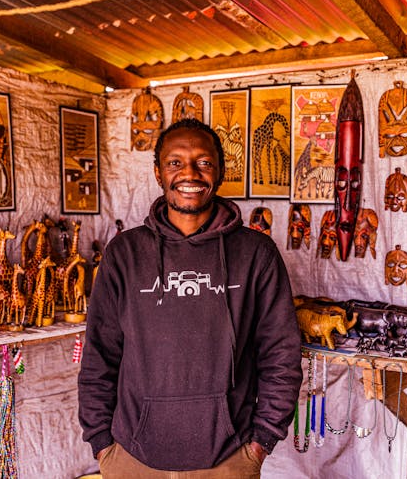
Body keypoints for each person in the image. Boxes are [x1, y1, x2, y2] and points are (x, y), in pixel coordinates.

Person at [78, 118, 302, 478]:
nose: (190, 173)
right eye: (175, 162)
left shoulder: (255, 253)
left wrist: (261, 442)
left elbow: (280, 353)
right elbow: (100, 353)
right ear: (157, 172)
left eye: (203, 162)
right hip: (132, 459)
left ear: (220, 171)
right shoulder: (125, 253)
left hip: (229, 460)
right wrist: (102, 441)